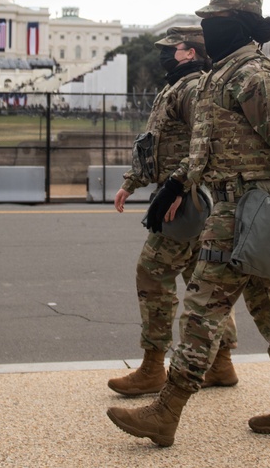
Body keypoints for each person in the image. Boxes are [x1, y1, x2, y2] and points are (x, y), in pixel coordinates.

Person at [107, 0, 270, 447]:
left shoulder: (253, 76)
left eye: (214, 20)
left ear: (236, 25)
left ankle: (166, 412)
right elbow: (205, 148)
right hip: (229, 203)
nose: (206, 28)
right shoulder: (219, 77)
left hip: (247, 209)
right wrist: (177, 184)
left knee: (202, 308)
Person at [109, 26, 238, 397]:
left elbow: (204, 142)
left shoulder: (192, 88)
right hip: (180, 194)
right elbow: (155, 145)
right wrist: (132, 182)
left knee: (152, 275)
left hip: (182, 198)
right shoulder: (176, 86)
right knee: (205, 282)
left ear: (190, 53)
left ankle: (153, 368)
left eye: (171, 49)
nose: (164, 54)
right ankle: (221, 363)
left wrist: (182, 186)